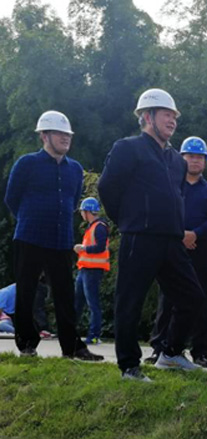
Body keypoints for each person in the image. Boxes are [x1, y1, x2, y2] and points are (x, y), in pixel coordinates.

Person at [98, 88, 205, 381]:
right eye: (166, 115)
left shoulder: (177, 160)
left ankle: (170, 353)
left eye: (174, 116)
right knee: (129, 302)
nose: (172, 121)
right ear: (147, 116)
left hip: (171, 239)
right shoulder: (127, 148)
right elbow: (107, 188)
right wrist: (128, 220)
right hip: (139, 237)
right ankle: (129, 366)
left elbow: (177, 195)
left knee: (193, 297)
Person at [3, 111, 103, 361]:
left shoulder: (75, 169)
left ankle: (72, 347)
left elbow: (72, 201)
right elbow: (12, 198)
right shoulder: (26, 163)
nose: (65, 138)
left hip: (61, 239)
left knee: (65, 294)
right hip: (30, 236)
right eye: (59, 134)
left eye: (67, 134)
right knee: (26, 291)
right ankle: (27, 343)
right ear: (44, 136)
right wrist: (29, 218)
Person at [146, 137, 207, 368]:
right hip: (173, 246)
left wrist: (195, 234)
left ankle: (200, 352)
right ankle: (160, 348)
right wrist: (181, 235)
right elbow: (162, 212)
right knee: (167, 299)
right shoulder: (171, 186)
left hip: (200, 248)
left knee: (201, 298)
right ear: (181, 159)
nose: (194, 161)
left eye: (199, 157)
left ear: (205, 162)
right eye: (190, 156)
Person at [74, 197, 110, 345]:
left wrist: (83, 248)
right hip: (85, 269)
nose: (82, 214)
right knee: (78, 302)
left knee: (92, 304)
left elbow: (100, 247)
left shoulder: (99, 227)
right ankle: (70, 331)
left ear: (87, 211)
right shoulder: (93, 227)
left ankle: (94, 335)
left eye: (83, 211)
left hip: (93, 270)